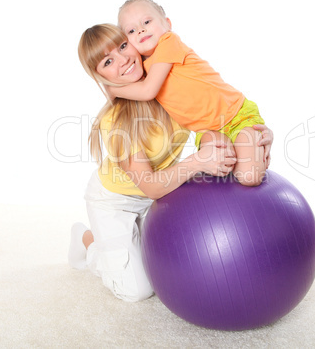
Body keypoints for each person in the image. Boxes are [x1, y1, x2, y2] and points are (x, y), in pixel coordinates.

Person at [68, 23, 274, 302]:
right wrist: (198, 161)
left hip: (161, 194)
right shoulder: (115, 121)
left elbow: (221, 117)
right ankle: (88, 241)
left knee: (157, 267)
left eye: (122, 46)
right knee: (137, 291)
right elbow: (151, 187)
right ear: (100, 76)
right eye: (107, 61)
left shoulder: (168, 88)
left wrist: (256, 134)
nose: (123, 59)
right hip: (117, 200)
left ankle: (120, 242)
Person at [106, 0, 269, 186]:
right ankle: (244, 152)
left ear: (167, 24)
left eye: (147, 22)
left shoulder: (169, 42)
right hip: (207, 130)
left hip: (237, 114)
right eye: (131, 30)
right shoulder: (141, 68)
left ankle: (251, 145)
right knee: (219, 167)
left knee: (250, 176)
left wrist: (112, 90)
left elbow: (148, 91)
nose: (141, 30)